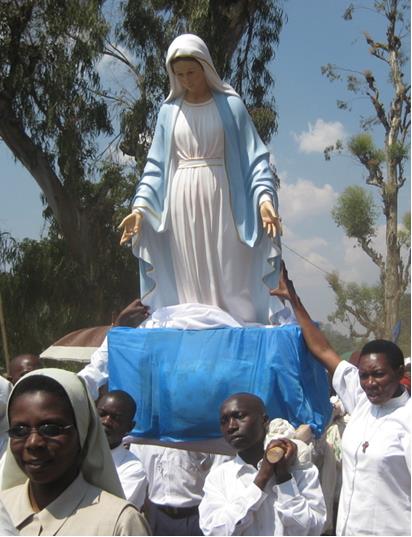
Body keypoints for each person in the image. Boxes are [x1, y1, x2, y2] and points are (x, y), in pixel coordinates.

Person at [119, 33, 282, 325]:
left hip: (223, 195)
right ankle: (196, 324)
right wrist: (140, 208)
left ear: (205, 67)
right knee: (190, 272)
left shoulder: (231, 106)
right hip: (181, 196)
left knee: (227, 266)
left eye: (191, 72)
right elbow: (155, 165)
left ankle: (233, 322)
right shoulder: (169, 112)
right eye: (178, 74)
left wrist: (264, 199)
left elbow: (255, 157)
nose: (186, 79)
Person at [271, 263, 411, 536]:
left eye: (379, 375)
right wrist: (294, 300)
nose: (370, 383)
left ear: (399, 372)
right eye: (364, 375)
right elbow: (323, 350)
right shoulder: (360, 401)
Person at [0, 368, 150, 535]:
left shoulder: (119, 523)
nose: (34, 442)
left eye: (50, 429)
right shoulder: (3, 508)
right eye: (19, 430)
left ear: (82, 432)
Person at [198, 392, 326, 535]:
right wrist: (262, 478)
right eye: (224, 421)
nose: (231, 426)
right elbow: (216, 531)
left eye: (239, 416)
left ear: (264, 420)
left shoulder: (299, 467)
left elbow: (313, 529)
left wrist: (284, 479)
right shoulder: (218, 478)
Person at [129, 443, 230, 536]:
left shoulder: (206, 429)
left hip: (196, 516)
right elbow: (136, 469)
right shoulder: (144, 430)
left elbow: (221, 472)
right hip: (156, 516)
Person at [97, 390, 147, 508]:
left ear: (129, 427)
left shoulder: (133, 470)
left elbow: (110, 511)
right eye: (102, 414)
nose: (106, 421)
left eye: (116, 418)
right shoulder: (74, 453)